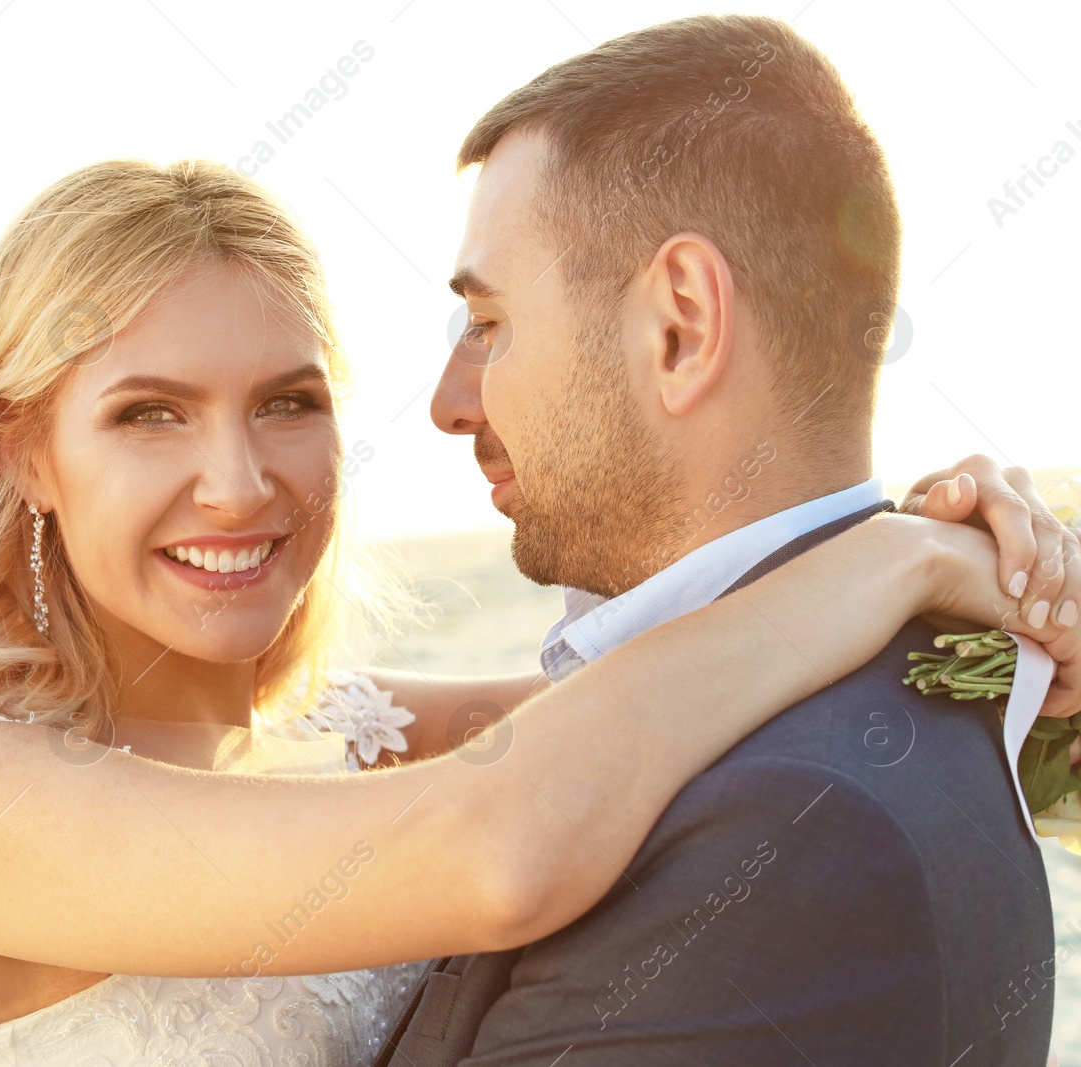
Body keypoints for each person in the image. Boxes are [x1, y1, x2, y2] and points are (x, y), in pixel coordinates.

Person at [0, 156, 1080, 1067]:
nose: (239, 480)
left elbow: (713, 686)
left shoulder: (364, 735)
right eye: (148, 413)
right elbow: (495, 852)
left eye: (286, 402)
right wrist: (885, 564)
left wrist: (1011, 626)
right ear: (26, 456)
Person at [378, 13, 1079, 1066]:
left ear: (680, 325)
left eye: (488, 323)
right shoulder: (887, 690)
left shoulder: (793, 831)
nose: (446, 401)